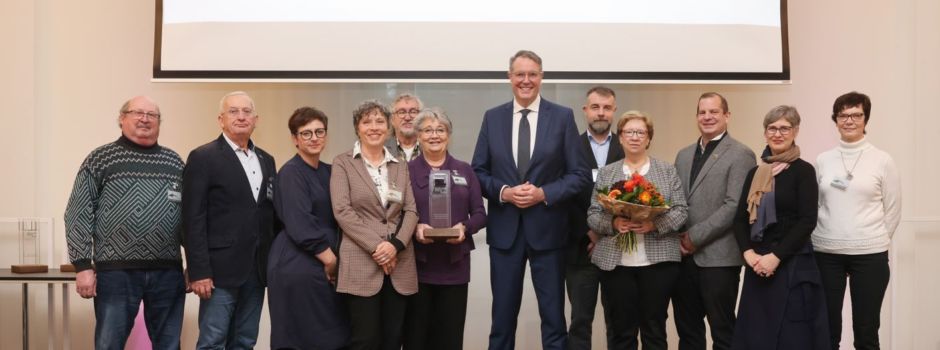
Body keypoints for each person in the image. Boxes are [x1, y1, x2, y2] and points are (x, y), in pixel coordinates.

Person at [471, 50, 592, 350]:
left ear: (541, 76)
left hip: (549, 234)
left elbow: (578, 175)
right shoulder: (493, 117)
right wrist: (505, 193)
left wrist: (544, 193)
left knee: (553, 320)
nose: (526, 80)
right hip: (505, 235)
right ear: (509, 77)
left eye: (533, 74)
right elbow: (478, 172)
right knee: (501, 320)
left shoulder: (562, 117)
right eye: (520, 74)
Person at [64, 96, 186, 350]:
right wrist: (83, 266)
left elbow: (190, 217)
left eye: (152, 115)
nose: (145, 119)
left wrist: (195, 264)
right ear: (122, 119)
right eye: (137, 112)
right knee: (110, 343)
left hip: (168, 272)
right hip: (116, 272)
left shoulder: (175, 162)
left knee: (170, 345)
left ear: (159, 123)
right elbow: (77, 212)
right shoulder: (100, 159)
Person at [183, 91, 277, 349]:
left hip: (257, 270)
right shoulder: (203, 157)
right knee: (213, 341)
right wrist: (199, 271)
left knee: (245, 341)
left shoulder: (267, 160)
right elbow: (192, 218)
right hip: (218, 271)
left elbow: (268, 215)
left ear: (256, 119)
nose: (241, 116)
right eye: (233, 111)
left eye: (247, 111)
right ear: (220, 119)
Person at [587, 111, 688, 350]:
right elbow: (593, 214)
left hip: (658, 265)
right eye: (629, 132)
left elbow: (681, 211)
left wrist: (654, 224)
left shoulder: (666, 171)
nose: (634, 137)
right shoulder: (607, 173)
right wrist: (613, 224)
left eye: (640, 132)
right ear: (620, 138)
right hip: (616, 266)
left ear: (648, 138)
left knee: (654, 330)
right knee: (621, 332)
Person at [732, 105, 829, 349]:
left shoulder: (804, 171)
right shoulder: (756, 172)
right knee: (756, 337)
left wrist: (775, 257)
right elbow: (740, 219)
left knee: (792, 338)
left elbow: (807, 220)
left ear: (795, 131)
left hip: (792, 263)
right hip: (757, 266)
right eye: (772, 128)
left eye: (784, 128)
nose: (778, 133)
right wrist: (749, 253)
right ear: (765, 133)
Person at [813, 92, 900, 350]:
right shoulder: (823, 159)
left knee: (866, 329)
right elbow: (815, 204)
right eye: (843, 115)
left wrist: (874, 239)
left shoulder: (883, 160)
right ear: (835, 119)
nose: (849, 120)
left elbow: (893, 208)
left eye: (856, 115)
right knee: (826, 329)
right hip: (826, 253)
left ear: (865, 118)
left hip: (869, 254)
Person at [330, 100, 419, 350]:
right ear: (357, 128)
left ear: (389, 128)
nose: (374, 127)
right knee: (364, 340)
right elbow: (342, 211)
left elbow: (411, 210)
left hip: (399, 264)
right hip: (361, 262)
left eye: (380, 121)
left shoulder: (400, 166)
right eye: (367, 121)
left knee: (393, 339)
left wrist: (396, 246)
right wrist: (379, 247)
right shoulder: (343, 163)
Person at [671, 92, 756, 350]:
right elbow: (676, 201)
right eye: (702, 112)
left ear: (726, 115)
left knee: (723, 332)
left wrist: (694, 237)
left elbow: (734, 206)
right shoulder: (683, 155)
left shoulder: (741, 154)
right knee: (688, 332)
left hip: (719, 258)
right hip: (683, 258)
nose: (707, 117)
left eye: (714, 112)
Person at [403, 108, 487, 350]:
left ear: (449, 135)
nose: (434, 135)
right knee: (416, 338)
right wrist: (415, 227)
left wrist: (465, 227)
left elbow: (480, 214)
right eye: (427, 130)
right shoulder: (405, 171)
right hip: (417, 267)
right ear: (418, 135)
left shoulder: (464, 170)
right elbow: (395, 214)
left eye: (440, 130)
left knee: (449, 339)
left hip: (455, 268)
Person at [268, 107, 351, 349]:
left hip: (326, 262)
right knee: (302, 338)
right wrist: (330, 260)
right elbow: (299, 223)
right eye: (306, 133)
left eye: (319, 131)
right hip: (299, 263)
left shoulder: (331, 171)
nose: (314, 138)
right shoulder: (291, 173)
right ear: (295, 139)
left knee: (332, 337)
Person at [566, 86, 623, 350]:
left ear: (614, 111)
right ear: (585, 111)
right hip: (580, 250)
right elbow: (563, 196)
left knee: (619, 321)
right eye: (595, 107)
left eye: (607, 107)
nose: (601, 112)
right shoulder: (567, 147)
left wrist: (605, 232)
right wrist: (589, 232)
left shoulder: (627, 148)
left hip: (619, 248)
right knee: (580, 322)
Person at [386, 93, 424, 161]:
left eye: (413, 112)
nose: (407, 117)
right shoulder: (381, 149)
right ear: (392, 119)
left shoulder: (431, 147)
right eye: (402, 112)